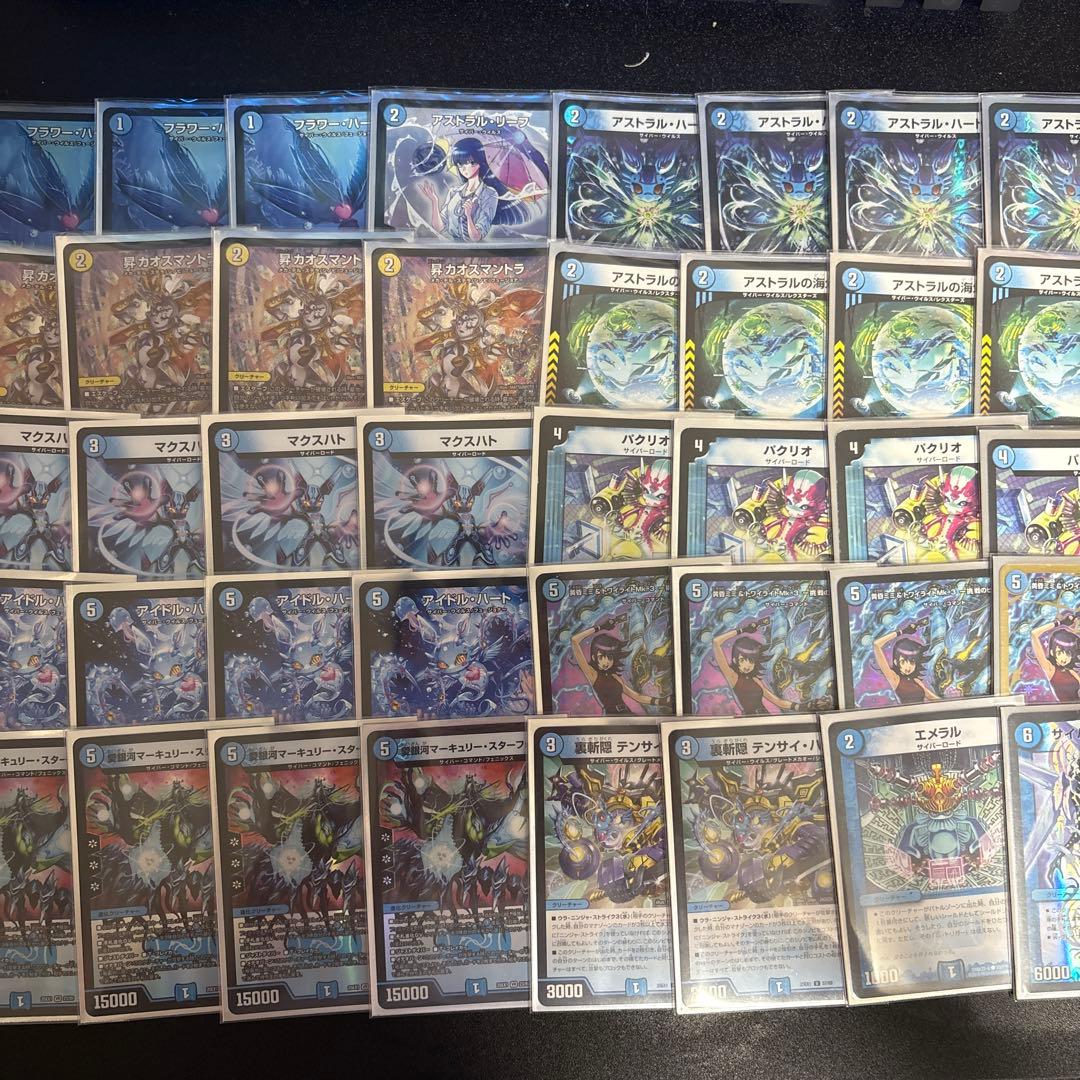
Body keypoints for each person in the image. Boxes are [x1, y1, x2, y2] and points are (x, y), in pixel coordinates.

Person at [570, 615, 660, 715]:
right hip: (611, 716)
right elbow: (574, 640)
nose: (606, 662)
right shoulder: (592, 674)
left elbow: (637, 697)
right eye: (601, 657)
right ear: (594, 658)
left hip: (627, 714)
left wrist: (660, 701)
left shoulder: (615, 677)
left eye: (609, 657)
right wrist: (600, 627)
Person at [712, 622, 798, 716]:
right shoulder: (732, 676)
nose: (747, 665)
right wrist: (742, 630)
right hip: (749, 720)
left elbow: (778, 701)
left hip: (766, 717)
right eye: (742, 660)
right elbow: (716, 642)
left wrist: (800, 706)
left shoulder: (755, 680)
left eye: (751, 661)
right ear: (735, 660)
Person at [873, 622, 939, 705]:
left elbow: (934, 699)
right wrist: (902, 631)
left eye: (912, 662)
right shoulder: (895, 679)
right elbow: (876, 644)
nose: (908, 666)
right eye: (903, 661)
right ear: (896, 662)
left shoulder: (916, 681)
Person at [1031, 615, 1080, 703]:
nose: (1064, 658)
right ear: (1052, 652)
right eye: (1060, 653)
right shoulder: (1050, 669)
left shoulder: (1071, 672)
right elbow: (1034, 634)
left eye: (1068, 653)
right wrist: (1059, 623)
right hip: (1063, 709)